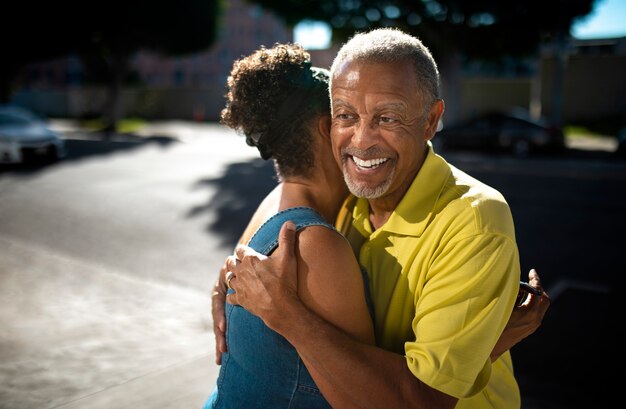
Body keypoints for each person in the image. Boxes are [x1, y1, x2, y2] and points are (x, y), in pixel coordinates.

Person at [220, 28, 551, 409]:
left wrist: (288, 317)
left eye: (388, 117)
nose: (361, 140)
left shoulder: (474, 220)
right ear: (327, 126)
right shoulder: (349, 199)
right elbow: (288, 196)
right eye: (346, 115)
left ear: (431, 120)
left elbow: (421, 401)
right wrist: (225, 279)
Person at [204, 43, 376, 409]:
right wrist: (478, 345)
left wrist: (218, 289)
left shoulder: (274, 201)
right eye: (348, 117)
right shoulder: (314, 244)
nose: (362, 132)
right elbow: (368, 397)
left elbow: (227, 274)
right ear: (327, 127)